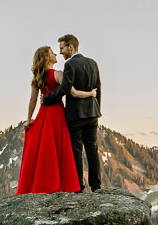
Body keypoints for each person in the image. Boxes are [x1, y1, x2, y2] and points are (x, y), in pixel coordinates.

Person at [16, 45, 79, 194]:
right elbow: (70, 91)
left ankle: (43, 183)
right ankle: (60, 183)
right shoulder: (57, 74)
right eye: (52, 52)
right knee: (58, 147)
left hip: (44, 114)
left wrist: (28, 120)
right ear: (46, 57)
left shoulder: (38, 78)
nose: (56, 53)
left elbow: (33, 100)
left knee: (45, 148)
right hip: (56, 113)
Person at [58, 33, 102, 192]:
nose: (61, 52)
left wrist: (48, 99)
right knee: (92, 149)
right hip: (92, 113)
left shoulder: (70, 65)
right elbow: (98, 87)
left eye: (62, 48)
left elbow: (64, 89)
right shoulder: (92, 63)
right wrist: (98, 109)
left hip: (75, 115)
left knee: (76, 150)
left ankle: (79, 187)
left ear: (71, 46)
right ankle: (96, 186)